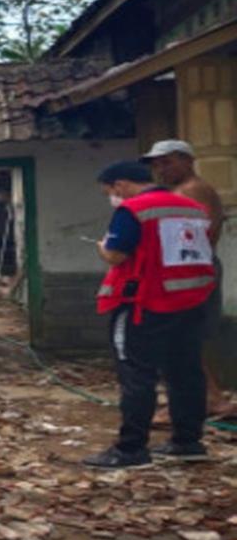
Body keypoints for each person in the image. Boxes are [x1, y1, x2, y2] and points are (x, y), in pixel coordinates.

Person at [83, 161, 216, 468]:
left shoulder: (133, 210)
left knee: (136, 374)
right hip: (191, 301)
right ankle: (188, 441)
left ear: (120, 185)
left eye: (110, 192)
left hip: (144, 304)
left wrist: (102, 247)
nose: (113, 198)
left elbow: (116, 254)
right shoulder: (193, 209)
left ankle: (131, 448)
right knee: (186, 372)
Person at [141, 139, 232, 420]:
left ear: (188, 161)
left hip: (190, 272)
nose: (161, 170)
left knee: (180, 338)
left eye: (167, 162)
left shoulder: (192, 190)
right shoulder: (182, 190)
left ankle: (196, 401)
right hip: (186, 271)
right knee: (182, 339)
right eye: (157, 165)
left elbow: (195, 234)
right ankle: (208, 397)